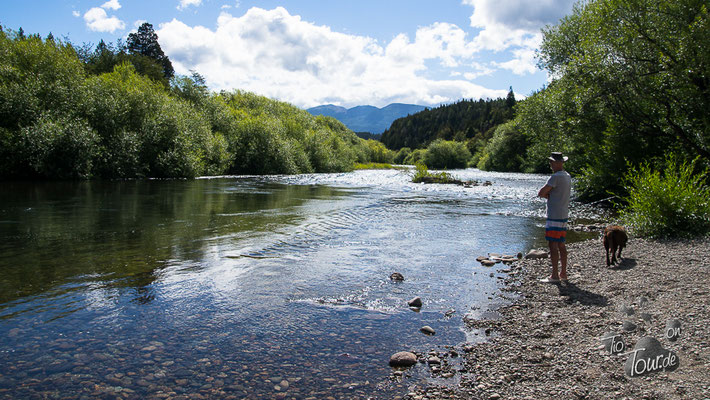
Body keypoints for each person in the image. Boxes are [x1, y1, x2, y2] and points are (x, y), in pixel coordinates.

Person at [537, 152, 572, 283]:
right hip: (563, 214)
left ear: (558, 163)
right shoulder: (567, 176)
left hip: (554, 216)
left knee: (553, 244)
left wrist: (549, 195)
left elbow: (541, 192)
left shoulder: (555, 177)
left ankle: (554, 276)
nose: (550, 164)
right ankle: (563, 273)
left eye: (552, 162)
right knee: (561, 244)